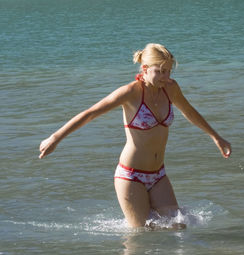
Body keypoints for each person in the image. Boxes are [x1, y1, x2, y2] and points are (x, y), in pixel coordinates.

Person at [38, 43, 231, 228]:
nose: (165, 76)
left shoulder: (171, 88)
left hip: (158, 175)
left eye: (169, 71)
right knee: (141, 236)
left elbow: (189, 112)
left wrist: (216, 137)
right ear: (145, 68)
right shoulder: (130, 93)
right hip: (131, 176)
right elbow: (91, 113)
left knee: (177, 227)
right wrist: (55, 138)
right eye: (160, 71)